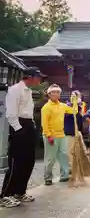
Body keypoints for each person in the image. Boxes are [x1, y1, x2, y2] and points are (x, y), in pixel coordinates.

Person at [0, 67, 44, 208]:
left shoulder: (29, 91)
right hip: (19, 126)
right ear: (30, 77)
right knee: (16, 161)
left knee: (28, 161)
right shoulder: (15, 90)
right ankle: (5, 195)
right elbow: (11, 113)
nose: (40, 80)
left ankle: (20, 191)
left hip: (29, 125)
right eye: (38, 77)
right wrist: (19, 130)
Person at [41, 84, 75, 186]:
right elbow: (44, 123)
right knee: (50, 158)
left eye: (58, 92)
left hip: (61, 134)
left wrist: (75, 102)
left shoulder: (63, 106)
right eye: (53, 92)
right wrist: (48, 135)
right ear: (49, 94)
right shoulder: (46, 107)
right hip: (51, 135)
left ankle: (64, 175)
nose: (56, 94)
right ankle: (48, 177)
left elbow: (74, 111)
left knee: (63, 155)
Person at [64, 90, 90, 177]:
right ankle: (72, 168)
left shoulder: (80, 107)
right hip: (70, 132)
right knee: (70, 151)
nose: (75, 97)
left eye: (77, 96)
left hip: (78, 132)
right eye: (73, 96)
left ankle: (81, 167)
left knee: (82, 151)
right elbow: (69, 115)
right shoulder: (67, 106)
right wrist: (75, 106)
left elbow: (81, 119)